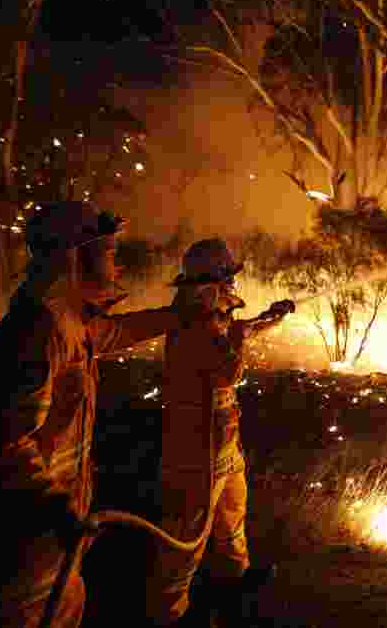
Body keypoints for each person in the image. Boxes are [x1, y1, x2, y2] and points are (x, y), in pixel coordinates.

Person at [0, 201, 203, 628]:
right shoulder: (37, 332)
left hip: (56, 541)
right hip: (26, 543)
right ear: (74, 256)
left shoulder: (69, 322)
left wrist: (181, 314)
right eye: (109, 252)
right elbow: (4, 445)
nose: (117, 263)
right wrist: (57, 506)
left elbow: (116, 332)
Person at [145, 238, 294, 627]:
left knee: (231, 516)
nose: (232, 285)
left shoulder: (211, 317)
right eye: (227, 277)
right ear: (210, 283)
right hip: (196, 448)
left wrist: (271, 318)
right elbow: (228, 370)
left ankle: (234, 582)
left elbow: (235, 331)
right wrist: (244, 337)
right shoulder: (195, 323)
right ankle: (170, 611)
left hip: (220, 442)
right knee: (187, 531)